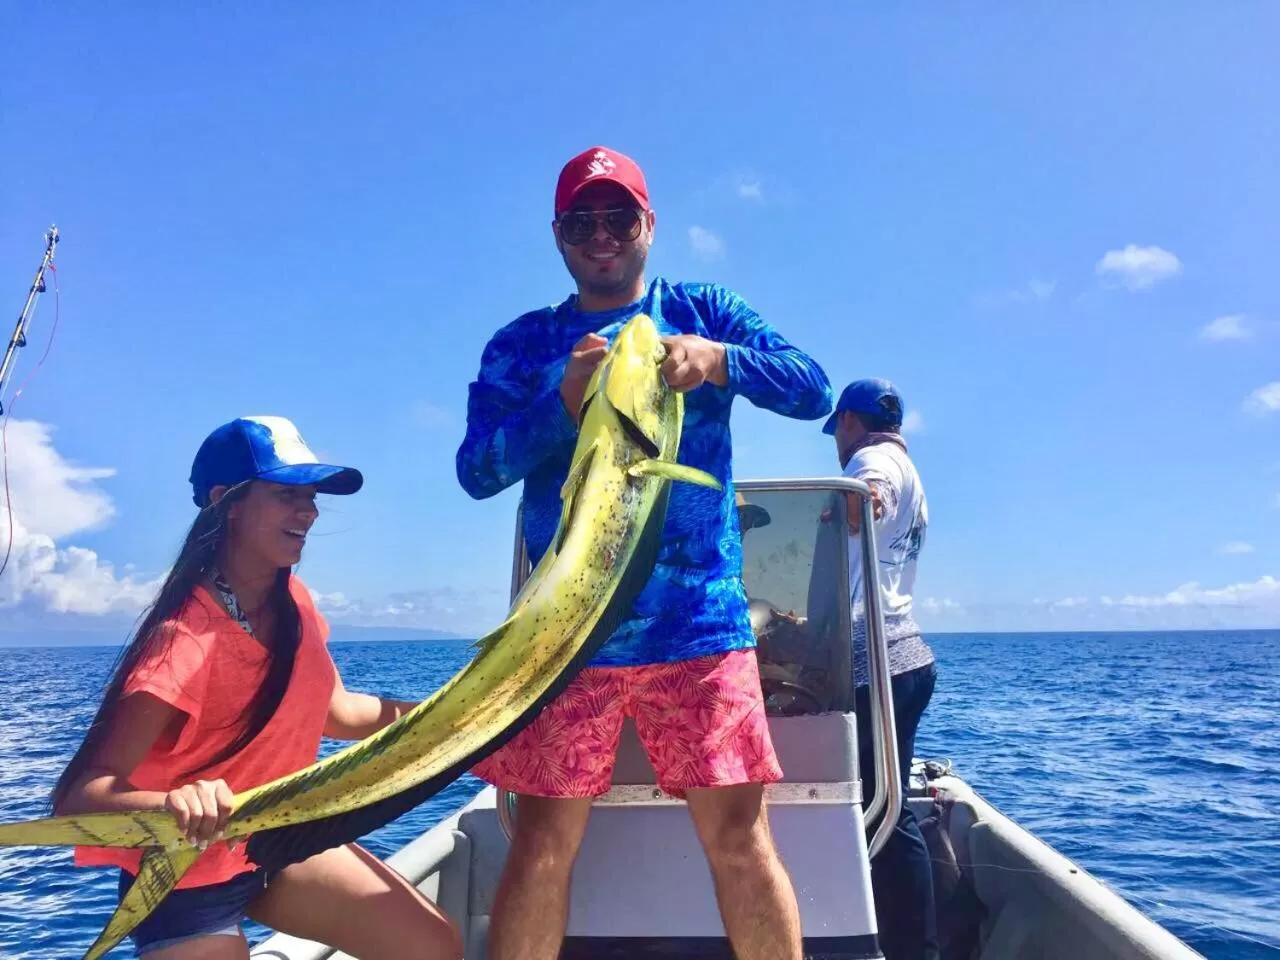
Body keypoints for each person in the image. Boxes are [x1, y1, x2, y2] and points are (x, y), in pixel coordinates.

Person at [455, 145, 834, 960]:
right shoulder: (523, 345)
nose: (602, 236)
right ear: (558, 235)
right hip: (564, 637)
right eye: (581, 222)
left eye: (619, 218)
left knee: (740, 840)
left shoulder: (705, 309)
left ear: (650, 225)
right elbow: (477, 471)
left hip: (700, 628)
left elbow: (813, 389)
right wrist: (559, 404)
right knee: (540, 844)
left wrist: (720, 360)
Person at [51, 416, 462, 960]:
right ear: (225, 502)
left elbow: (337, 713)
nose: (309, 511)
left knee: (433, 946)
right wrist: (172, 803)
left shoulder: (297, 604)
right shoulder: (181, 641)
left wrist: (457, 716)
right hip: (184, 880)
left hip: (274, 846)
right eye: (287, 494)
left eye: (311, 496)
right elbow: (76, 798)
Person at [822, 379, 938, 960]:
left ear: (848, 420)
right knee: (887, 810)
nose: (835, 443)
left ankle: (910, 949)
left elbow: (868, 499)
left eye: (835, 430)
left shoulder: (873, 461)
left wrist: (853, 501)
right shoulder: (912, 473)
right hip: (905, 659)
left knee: (884, 818)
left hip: (876, 666)